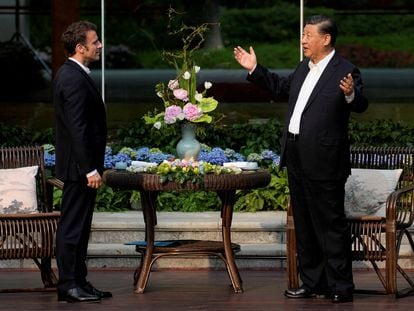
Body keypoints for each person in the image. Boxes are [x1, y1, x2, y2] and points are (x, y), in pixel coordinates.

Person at [234, 15, 368, 303]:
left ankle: (341, 287)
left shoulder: (345, 70)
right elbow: (281, 88)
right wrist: (255, 69)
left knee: (330, 225)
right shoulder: (303, 68)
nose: (303, 40)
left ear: (326, 38)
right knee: (305, 225)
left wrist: (350, 94)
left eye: (308, 35)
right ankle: (313, 283)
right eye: (303, 35)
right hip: (295, 155)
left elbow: (360, 103)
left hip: (324, 160)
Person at [53, 20, 111, 303]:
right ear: (80, 47)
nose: (99, 45)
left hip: (82, 167)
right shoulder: (72, 77)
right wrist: (89, 168)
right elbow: (77, 128)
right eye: (95, 41)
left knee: (82, 226)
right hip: (79, 168)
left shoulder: (76, 73)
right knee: (72, 227)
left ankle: (80, 281)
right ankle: (67, 285)